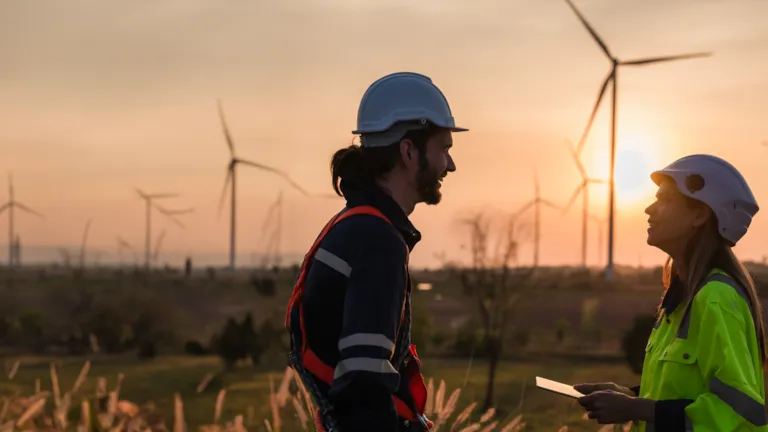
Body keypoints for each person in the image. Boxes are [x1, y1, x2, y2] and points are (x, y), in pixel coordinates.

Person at [285, 72, 467, 432]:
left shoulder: (353, 226)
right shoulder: (377, 240)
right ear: (408, 151)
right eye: (444, 149)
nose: (451, 165)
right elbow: (363, 386)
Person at [574, 154, 768, 431]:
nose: (649, 210)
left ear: (700, 215)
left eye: (664, 199)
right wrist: (631, 396)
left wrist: (635, 408)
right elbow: (685, 394)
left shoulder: (716, 298)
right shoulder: (680, 301)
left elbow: (735, 414)